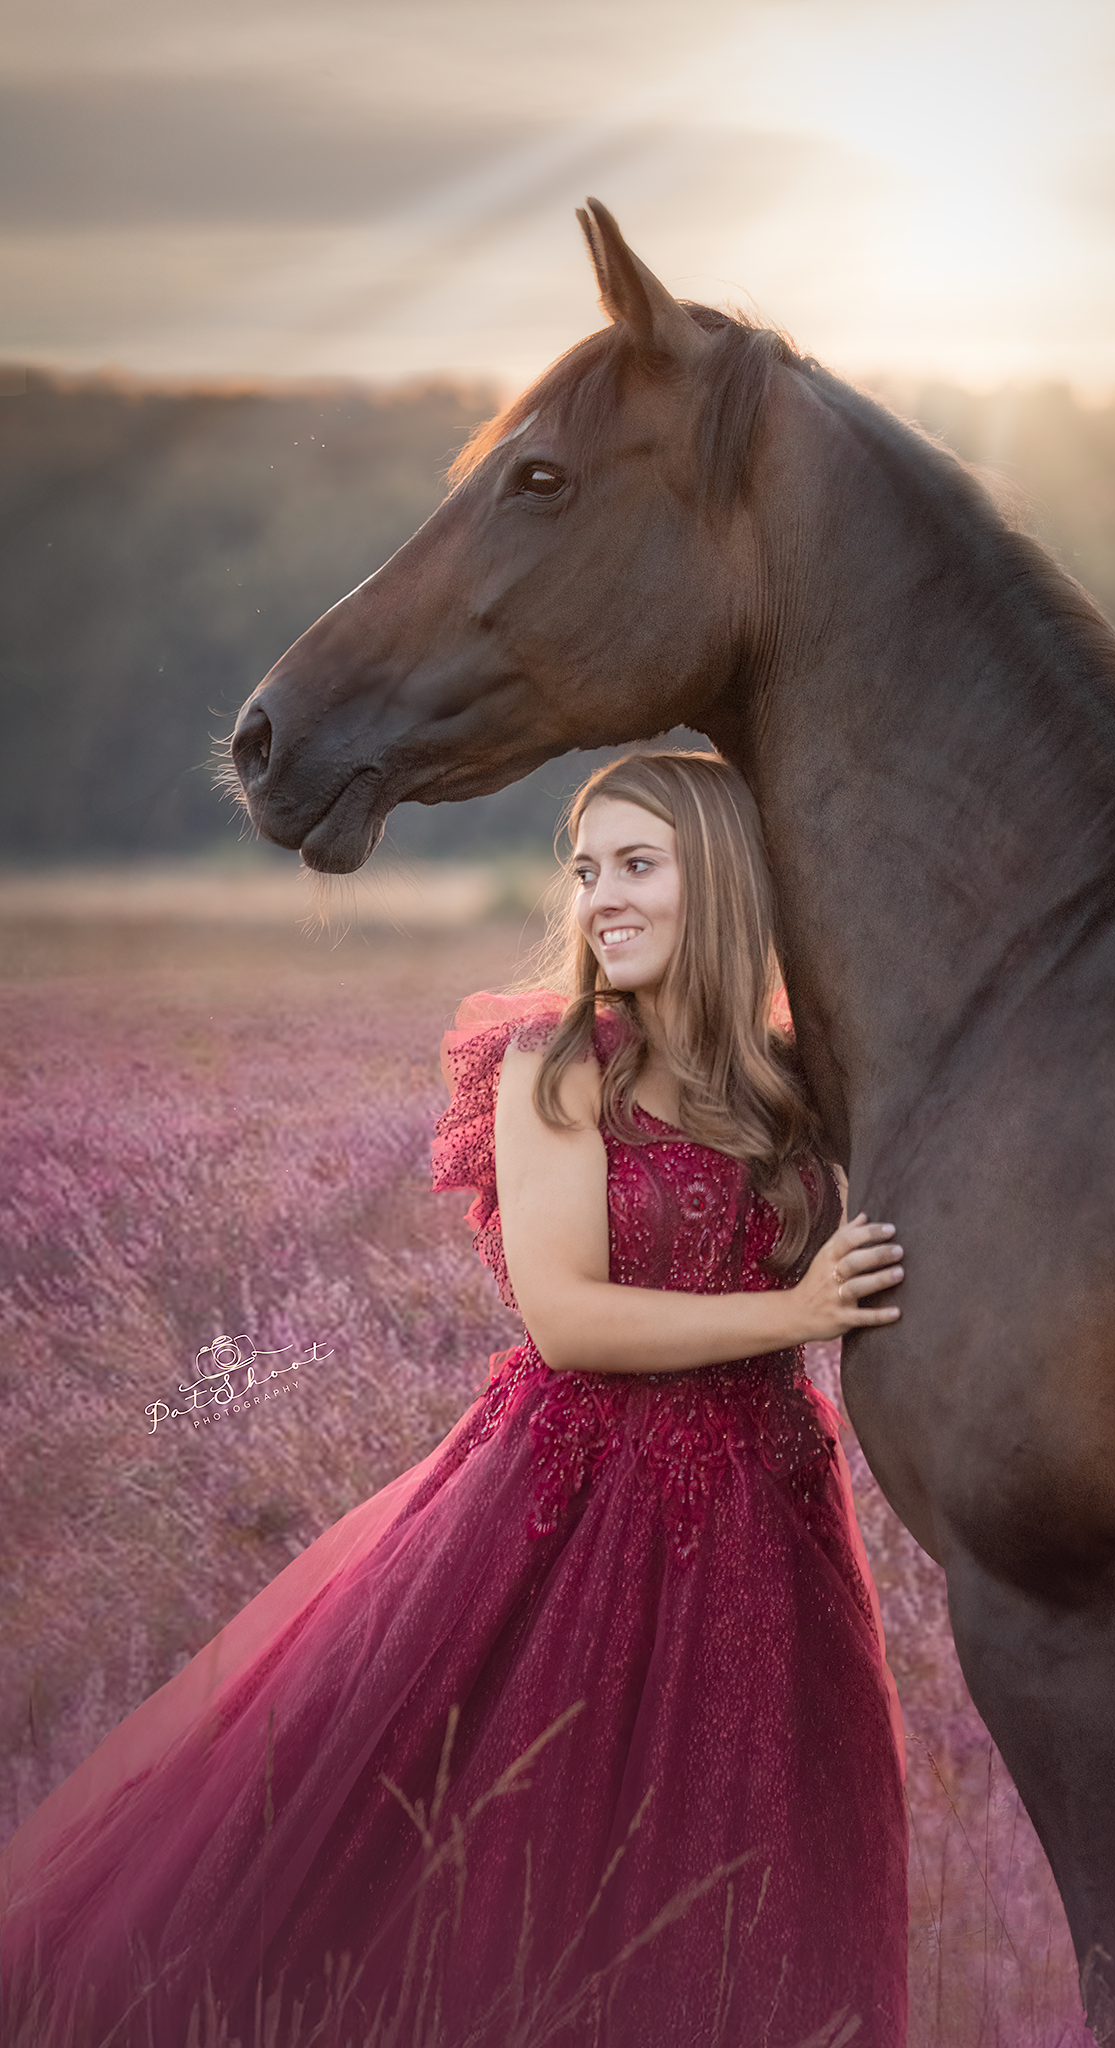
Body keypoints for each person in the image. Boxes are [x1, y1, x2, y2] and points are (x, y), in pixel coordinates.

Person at [0, 750, 911, 2047]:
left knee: (754, 1850)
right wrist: (799, 1315)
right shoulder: (555, 1068)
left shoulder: (797, 1081)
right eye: (587, 870)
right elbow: (567, 1314)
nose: (600, 897)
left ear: (721, 882)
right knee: (500, 1848)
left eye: (638, 866)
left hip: (767, 1498)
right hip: (571, 1497)